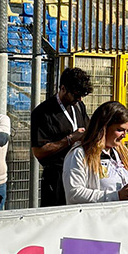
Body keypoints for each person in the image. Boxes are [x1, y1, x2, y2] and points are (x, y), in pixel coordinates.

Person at [31, 67, 93, 207]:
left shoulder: (79, 106)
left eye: (82, 95)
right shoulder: (42, 112)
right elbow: (39, 151)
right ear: (63, 88)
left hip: (80, 171)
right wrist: (70, 139)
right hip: (57, 176)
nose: (79, 99)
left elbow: (88, 129)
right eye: (76, 95)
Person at [62, 100, 128, 204]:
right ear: (104, 127)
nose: (124, 135)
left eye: (127, 130)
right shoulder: (79, 154)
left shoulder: (123, 154)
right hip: (97, 214)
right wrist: (115, 196)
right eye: (120, 130)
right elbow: (74, 194)